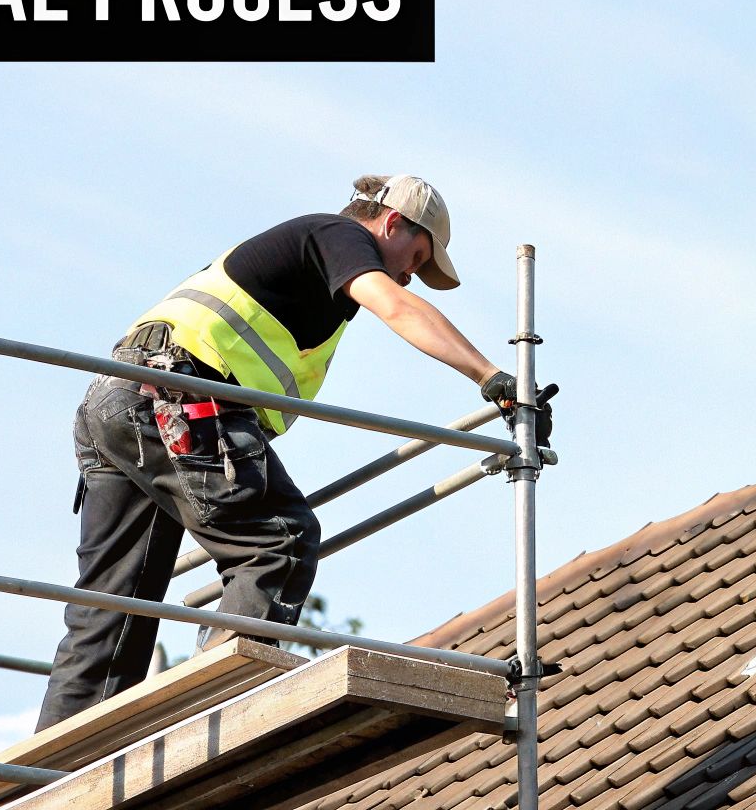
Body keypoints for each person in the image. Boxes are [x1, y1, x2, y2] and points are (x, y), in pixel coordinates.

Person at [35, 173, 538, 730]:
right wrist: (493, 377)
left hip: (119, 398)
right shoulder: (339, 236)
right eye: (415, 257)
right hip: (175, 393)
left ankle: (57, 772)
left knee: (115, 606)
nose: (409, 276)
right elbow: (395, 307)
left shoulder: (311, 269)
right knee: (277, 542)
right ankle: (211, 723)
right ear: (390, 223)